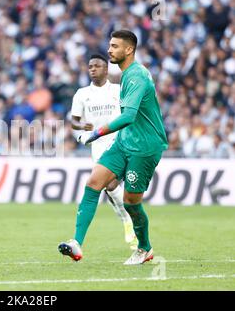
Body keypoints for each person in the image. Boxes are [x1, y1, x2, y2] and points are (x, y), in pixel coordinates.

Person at [59, 30, 168, 265]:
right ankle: (76, 242)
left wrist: (96, 133)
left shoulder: (136, 76)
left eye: (115, 46)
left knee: (131, 202)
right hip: (124, 141)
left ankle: (144, 248)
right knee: (93, 183)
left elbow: (128, 116)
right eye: (109, 45)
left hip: (144, 146)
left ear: (129, 50)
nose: (110, 50)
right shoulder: (123, 76)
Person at [70, 53, 137, 251]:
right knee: (109, 185)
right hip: (98, 145)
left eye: (97, 66)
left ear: (106, 69)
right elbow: (74, 121)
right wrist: (81, 124)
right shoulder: (82, 94)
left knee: (113, 185)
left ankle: (127, 219)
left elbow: (129, 112)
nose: (92, 69)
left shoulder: (118, 90)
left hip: (120, 141)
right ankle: (126, 219)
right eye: (90, 66)